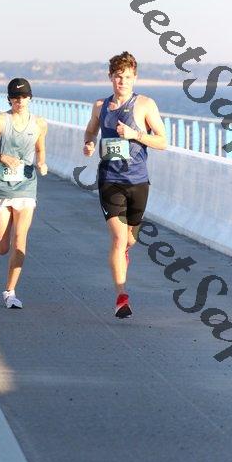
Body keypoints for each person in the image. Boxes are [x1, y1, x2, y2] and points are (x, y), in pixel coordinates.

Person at [83, 52, 167, 318]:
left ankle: (124, 253)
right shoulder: (100, 106)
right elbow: (91, 131)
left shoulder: (145, 105)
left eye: (128, 77)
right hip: (110, 180)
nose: (123, 81)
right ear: (111, 77)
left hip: (138, 181)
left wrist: (135, 134)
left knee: (130, 239)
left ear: (135, 78)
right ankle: (121, 296)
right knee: (119, 239)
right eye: (118, 76)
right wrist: (88, 143)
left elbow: (163, 141)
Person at [0, 78, 48, 309]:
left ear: (30, 98)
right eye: (15, 98)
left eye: (24, 97)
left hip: (26, 186)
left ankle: (10, 292)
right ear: (9, 99)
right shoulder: (0, 121)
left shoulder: (39, 124)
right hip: (1, 186)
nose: (20, 101)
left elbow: (40, 148)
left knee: (20, 240)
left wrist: (42, 163)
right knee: (2, 248)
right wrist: (0, 157)